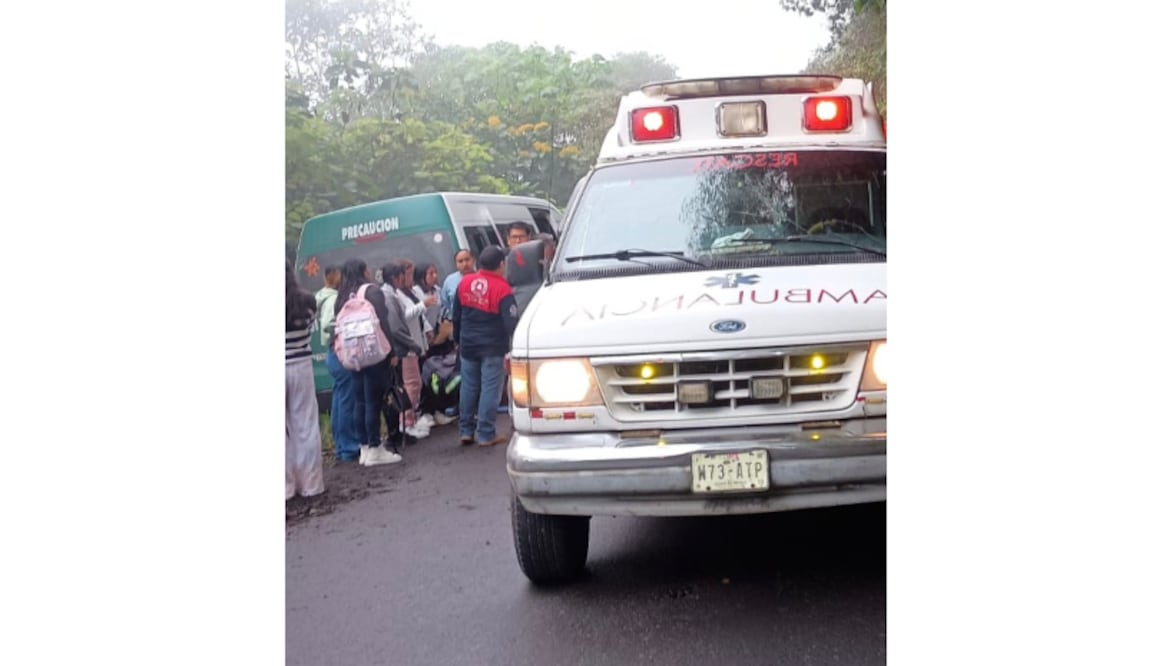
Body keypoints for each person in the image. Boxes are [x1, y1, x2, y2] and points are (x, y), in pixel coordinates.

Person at [334, 258, 403, 465]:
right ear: (364, 271)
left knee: (360, 401)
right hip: (373, 353)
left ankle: (364, 446)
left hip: (353, 355)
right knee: (374, 400)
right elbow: (383, 323)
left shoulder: (342, 296)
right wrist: (391, 351)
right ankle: (375, 447)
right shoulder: (372, 291)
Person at [453, 245, 518, 447]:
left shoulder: (464, 283)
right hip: (492, 348)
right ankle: (486, 433)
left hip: (468, 345)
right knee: (490, 389)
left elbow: (456, 316)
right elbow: (511, 323)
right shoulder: (503, 289)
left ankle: (466, 430)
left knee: (468, 387)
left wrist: (458, 340)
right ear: (501, 264)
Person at [379, 261, 431, 441]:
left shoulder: (396, 293)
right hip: (405, 347)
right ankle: (406, 423)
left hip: (409, 345)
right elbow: (398, 325)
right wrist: (412, 344)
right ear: (396, 277)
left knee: (413, 383)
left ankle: (410, 420)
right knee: (411, 384)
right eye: (404, 274)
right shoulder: (391, 296)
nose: (406, 279)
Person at [286, 260, 325, 498]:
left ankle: (285, 488)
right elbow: (310, 327)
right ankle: (312, 484)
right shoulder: (308, 301)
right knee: (306, 425)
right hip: (300, 365)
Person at [316, 266, 357, 463]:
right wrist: (342, 327)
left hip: (332, 353)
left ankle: (342, 446)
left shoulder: (323, 297)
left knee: (339, 400)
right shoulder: (333, 298)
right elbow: (327, 324)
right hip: (338, 352)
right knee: (346, 401)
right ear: (334, 277)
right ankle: (348, 446)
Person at [441, 249, 474, 322]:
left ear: (474, 260)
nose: (465, 264)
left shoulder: (482, 279)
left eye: (467, 260)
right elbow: (445, 304)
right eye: (460, 261)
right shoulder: (449, 281)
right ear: (456, 264)